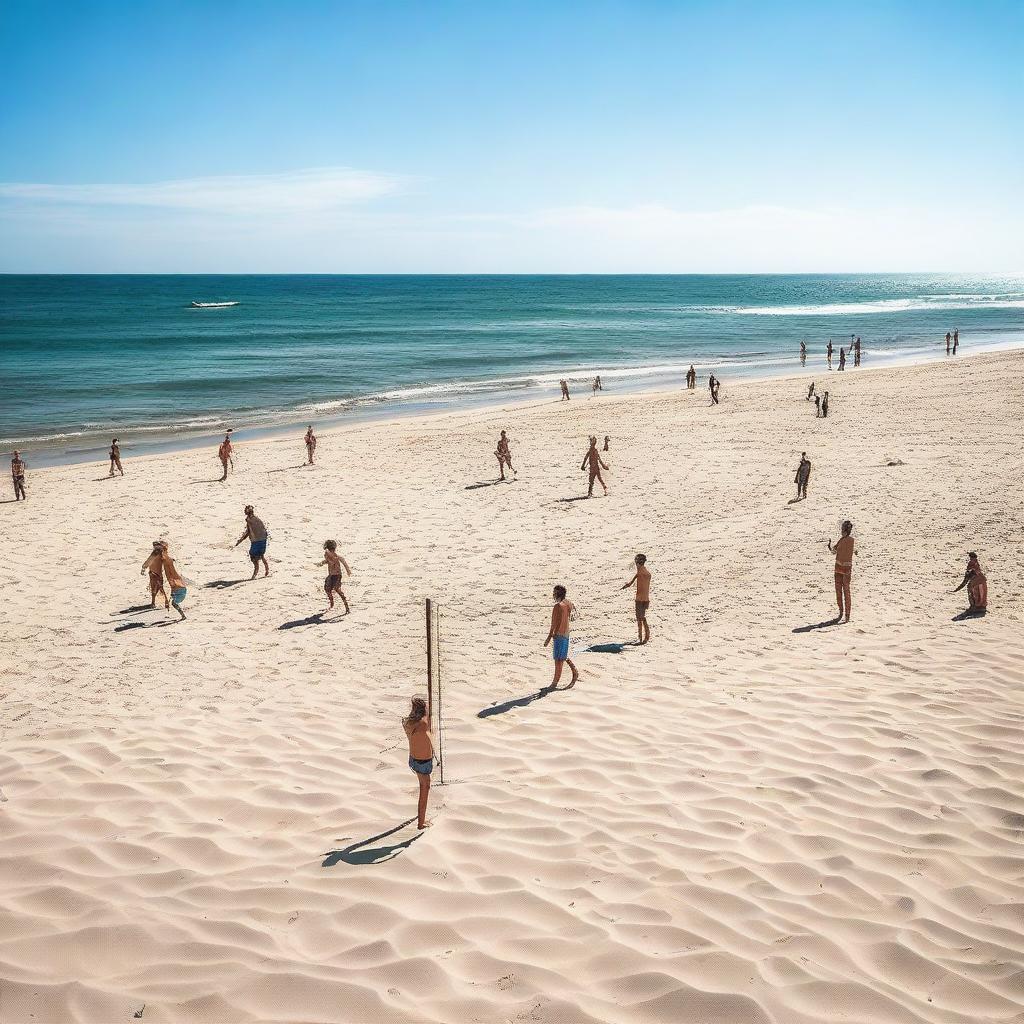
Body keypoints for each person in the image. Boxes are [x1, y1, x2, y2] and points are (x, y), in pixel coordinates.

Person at [403, 694, 436, 830]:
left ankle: (420, 818)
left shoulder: (407, 723)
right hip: (423, 762)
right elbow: (427, 727)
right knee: (425, 788)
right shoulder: (422, 724)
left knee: (423, 786)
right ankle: (421, 823)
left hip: (414, 759)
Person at [545, 584, 578, 688]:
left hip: (559, 635)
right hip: (566, 634)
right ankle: (573, 672)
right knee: (561, 658)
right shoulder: (568, 603)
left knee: (558, 660)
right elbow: (574, 616)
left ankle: (555, 682)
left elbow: (553, 624)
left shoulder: (557, 606)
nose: (553, 595)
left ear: (556, 594)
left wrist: (549, 638)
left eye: (554, 593)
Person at [827, 520, 856, 622]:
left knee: (839, 591)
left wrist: (829, 545)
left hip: (839, 568)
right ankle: (847, 615)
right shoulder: (852, 540)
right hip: (847, 569)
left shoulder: (841, 540)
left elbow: (833, 551)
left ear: (844, 530)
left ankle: (841, 612)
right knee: (847, 591)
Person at [621, 553, 652, 645]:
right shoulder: (647, 573)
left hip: (639, 599)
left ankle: (642, 638)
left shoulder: (640, 573)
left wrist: (624, 587)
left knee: (639, 618)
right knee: (642, 617)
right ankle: (646, 636)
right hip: (646, 599)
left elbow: (630, 584)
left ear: (638, 563)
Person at [234, 504, 270, 579]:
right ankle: (266, 570)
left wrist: (240, 541)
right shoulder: (256, 518)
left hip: (256, 540)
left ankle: (255, 574)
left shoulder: (249, 520)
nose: (244, 511)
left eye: (245, 510)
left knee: (254, 557)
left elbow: (248, 532)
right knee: (261, 555)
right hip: (262, 539)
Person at [319, 539, 351, 612]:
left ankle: (346, 606)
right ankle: (332, 603)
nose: (326, 556)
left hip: (337, 576)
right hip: (331, 576)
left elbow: (343, 561)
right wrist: (320, 563)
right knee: (327, 589)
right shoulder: (328, 557)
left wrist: (348, 570)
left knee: (337, 589)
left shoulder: (336, 557)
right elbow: (325, 561)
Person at [160, 542, 188, 621]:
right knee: (169, 570)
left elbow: (172, 571)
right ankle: (183, 616)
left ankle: (183, 616)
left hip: (180, 590)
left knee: (174, 603)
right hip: (179, 590)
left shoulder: (174, 579)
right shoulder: (173, 579)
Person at [141, 541, 169, 609]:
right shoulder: (162, 554)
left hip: (153, 574)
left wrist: (143, 567)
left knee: (155, 588)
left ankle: (161, 602)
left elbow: (148, 561)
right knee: (159, 588)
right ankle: (163, 602)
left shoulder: (155, 553)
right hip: (158, 574)